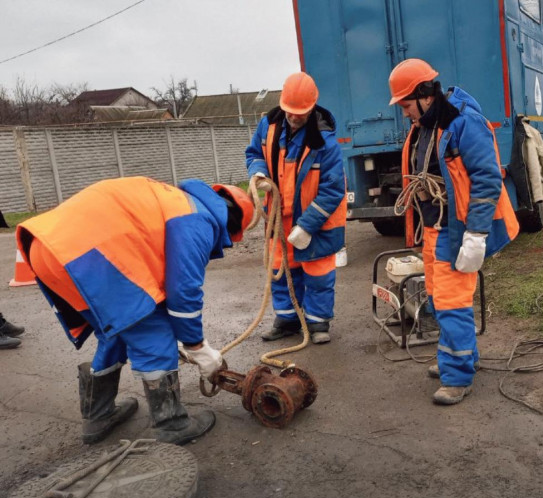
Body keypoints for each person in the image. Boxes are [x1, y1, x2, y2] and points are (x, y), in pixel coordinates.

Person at [16, 177, 255, 445]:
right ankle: (170, 423)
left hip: (48, 250)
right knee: (153, 332)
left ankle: (98, 414)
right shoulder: (197, 218)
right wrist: (197, 346)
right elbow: (184, 291)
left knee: (118, 328)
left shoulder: (173, 199)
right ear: (231, 223)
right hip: (90, 254)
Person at [388, 58, 519, 405]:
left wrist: (476, 235)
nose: (403, 112)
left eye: (405, 104)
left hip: (457, 231)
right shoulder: (427, 124)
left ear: (423, 94)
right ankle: (461, 357)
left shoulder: (464, 123)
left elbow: (487, 179)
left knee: (451, 304)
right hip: (434, 228)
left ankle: (457, 377)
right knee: (439, 298)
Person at [246, 72, 347, 344]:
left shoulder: (324, 141)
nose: (293, 117)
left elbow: (333, 188)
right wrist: (257, 174)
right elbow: (254, 153)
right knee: (281, 270)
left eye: (300, 113)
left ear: (311, 107)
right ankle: (288, 320)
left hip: (314, 220)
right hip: (280, 218)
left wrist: (307, 225)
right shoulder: (268, 125)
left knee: (317, 273)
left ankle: (317, 324)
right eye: (290, 111)